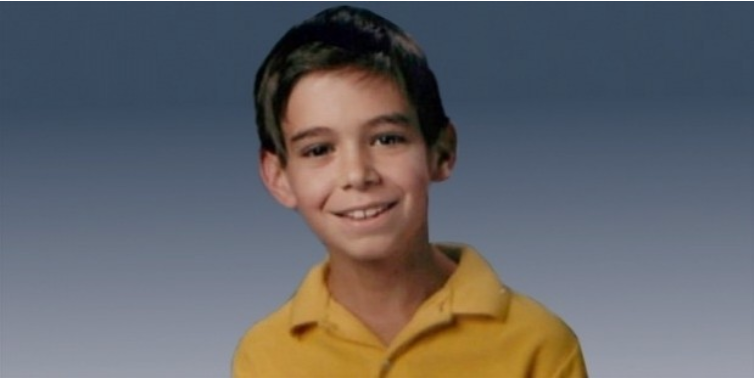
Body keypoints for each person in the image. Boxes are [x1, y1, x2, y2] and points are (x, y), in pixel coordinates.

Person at [233, 6, 587, 377]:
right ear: (278, 177)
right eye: (319, 149)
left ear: (442, 151)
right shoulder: (266, 356)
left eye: (387, 139)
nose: (357, 174)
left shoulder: (538, 344)